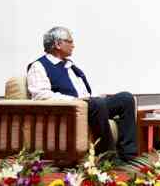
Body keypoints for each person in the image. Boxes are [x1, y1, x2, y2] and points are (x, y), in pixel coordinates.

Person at [26, 27, 137, 161]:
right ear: (58, 44)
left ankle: (129, 155)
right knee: (97, 104)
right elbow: (41, 95)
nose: (73, 45)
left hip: (89, 106)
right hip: (69, 109)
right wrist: (75, 100)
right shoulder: (39, 66)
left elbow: (84, 92)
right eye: (70, 41)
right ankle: (109, 156)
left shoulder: (70, 66)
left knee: (126, 98)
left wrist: (98, 96)